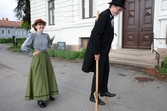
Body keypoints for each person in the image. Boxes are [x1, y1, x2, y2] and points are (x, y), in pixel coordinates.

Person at [82, 0, 126, 105]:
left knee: (105, 70)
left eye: (120, 11)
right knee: (99, 73)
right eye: (118, 10)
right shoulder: (104, 16)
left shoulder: (110, 16)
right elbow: (95, 35)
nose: (118, 12)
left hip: (104, 51)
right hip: (99, 51)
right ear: (113, 6)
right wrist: (96, 52)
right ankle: (93, 95)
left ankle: (103, 90)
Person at [21, 19, 59, 108]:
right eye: (39, 25)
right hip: (37, 58)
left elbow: (49, 45)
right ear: (35, 26)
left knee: (48, 75)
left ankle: (48, 94)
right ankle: (39, 99)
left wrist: (46, 49)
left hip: (46, 57)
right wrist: (31, 53)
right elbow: (23, 47)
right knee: (39, 78)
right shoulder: (33, 35)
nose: (41, 26)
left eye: (42, 25)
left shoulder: (46, 35)